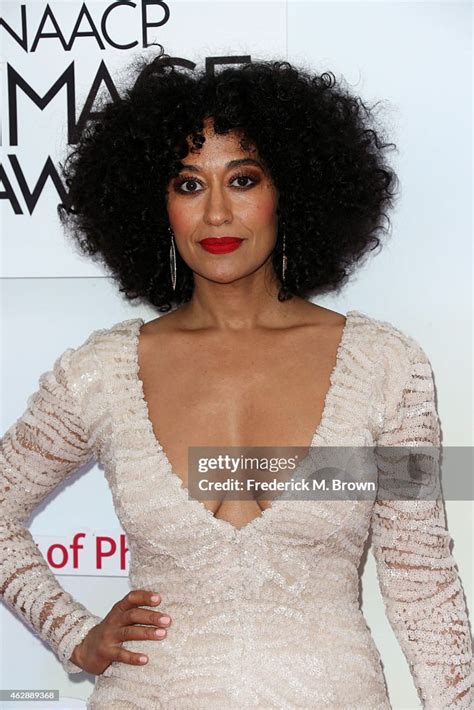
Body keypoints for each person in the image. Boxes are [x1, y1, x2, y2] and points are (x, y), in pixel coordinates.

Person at [0, 45, 472, 709]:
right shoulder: (98, 375)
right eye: (189, 184)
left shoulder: (386, 369)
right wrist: (73, 632)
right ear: (156, 204)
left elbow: (423, 585)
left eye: (243, 179)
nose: (217, 213)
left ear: (291, 191)